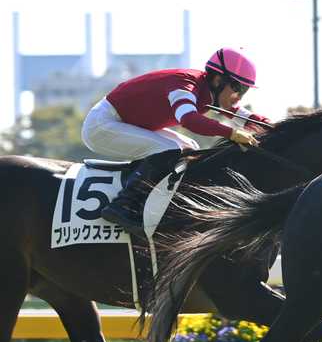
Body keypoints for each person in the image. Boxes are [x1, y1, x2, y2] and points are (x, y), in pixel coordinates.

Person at [81, 47, 270, 232]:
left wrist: (276, 127)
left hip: (127, 123)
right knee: (169, 149)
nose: (239, 97)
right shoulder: (186, 83)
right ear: (219, 80)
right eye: (238, 89)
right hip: (102, 124)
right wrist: (231, 133)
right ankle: (122, 205)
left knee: (190, 147)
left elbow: (245, 117)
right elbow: (189, 120)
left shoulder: (210, 91)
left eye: (244, 91)